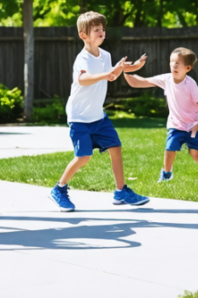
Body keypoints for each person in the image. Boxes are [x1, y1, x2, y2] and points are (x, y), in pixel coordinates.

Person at [49, 11, 149, 212]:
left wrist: (132, 67)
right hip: (79, 118)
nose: (102, 32)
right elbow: (83, 79)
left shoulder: (106, 55)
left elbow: (114, 70)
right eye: (96, 30)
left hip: (98, 117)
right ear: (83, 35)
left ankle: (121, 191)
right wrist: (108, 73)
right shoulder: (82, 58)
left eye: (103, 29)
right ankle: (59, 189)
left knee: (116, 148)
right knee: (83, 157)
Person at [124, 47, 198, 196]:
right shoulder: (166, 79)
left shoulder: (190, 84)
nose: (173, 65)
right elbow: (138, 82)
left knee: (196, 155)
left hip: (193, 126)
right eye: (172, 62)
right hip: (176, 125)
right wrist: (126, 70)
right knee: (170, 149)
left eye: (177, 63)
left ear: (188, 68)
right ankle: (167, 173)